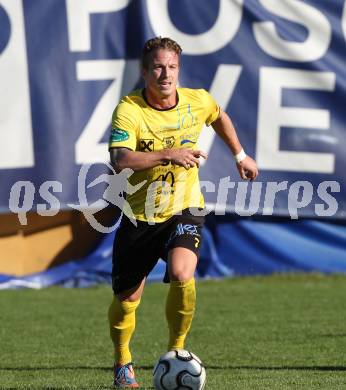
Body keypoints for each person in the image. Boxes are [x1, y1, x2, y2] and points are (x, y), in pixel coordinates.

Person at [108, 36, 258, 388]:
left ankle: (176, 352)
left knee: (182, 273)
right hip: (139, 216)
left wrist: (240, 155)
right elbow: (120, 160)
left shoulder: (197, 101)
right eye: (158, 67)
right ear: (145, 72)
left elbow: (219, 116)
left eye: (172, 66)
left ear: (179, 69)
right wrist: (168, 154)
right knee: (128, 299)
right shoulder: (129, 110)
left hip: (184, 208)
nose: (166, 73)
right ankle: (122, 360)